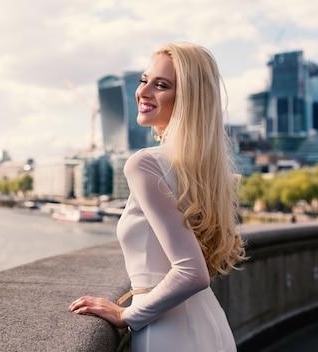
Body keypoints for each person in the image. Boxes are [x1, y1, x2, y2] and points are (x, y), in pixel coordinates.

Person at [68, 42, 247, 351]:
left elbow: (192, 273)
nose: (144, 91)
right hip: (210, 327)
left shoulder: (145, 164)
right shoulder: (200, 169)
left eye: (161, 85)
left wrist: (126, 314)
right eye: (144, 80)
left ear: (188, 99)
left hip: (166, 334)